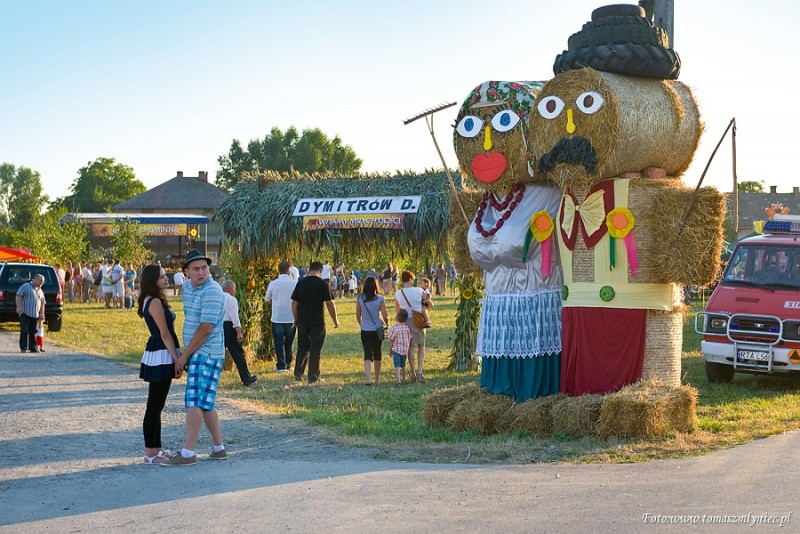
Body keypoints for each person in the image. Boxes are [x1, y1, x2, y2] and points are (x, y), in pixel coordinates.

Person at [162, 250, 228, 466]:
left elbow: (205, 329)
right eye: (196, 269)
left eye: (204, 268)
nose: (201, 272)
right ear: (186, 272)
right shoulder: (188, 288)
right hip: (196, 351)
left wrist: (183, 357)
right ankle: (219, 448)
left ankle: (188, 452)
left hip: (206, 352)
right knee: (205, 402)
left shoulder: (213, 291)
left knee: (194, 401)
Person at [137, 264, 181, 464]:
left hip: (160, 351)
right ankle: (150, 453)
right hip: (161, 353)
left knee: (157, 405)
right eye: (162, 277)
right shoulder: (154, 301)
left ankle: (157, 449)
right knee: (154, 405)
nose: (166, 279)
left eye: (165, 276)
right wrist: (177, 358)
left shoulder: (151, 299)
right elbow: (164, 333)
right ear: (152, 280)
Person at [291, 261, 339, 384]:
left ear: (309, 270)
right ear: (320, 271)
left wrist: (295, 318)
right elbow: (329, 304)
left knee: (302, 347)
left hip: (302, 320)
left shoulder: (300, 283)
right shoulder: (323, 284)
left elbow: (294, 302)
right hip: (317, 320)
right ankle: (313, 376)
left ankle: (298, 374)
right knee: (315, 349)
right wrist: (335, 320)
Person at [221, 280, 258, 386]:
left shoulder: (217, 298)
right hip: (229, 327)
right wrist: (238, 332)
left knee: (216, 354)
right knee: (238, 354)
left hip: (217, 327)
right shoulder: (231, 300)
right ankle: (246, 378)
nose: (235, 292)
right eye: (234, 289)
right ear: (230, 289)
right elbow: (234, 318)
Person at [264, 261, 297, 372]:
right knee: (289, 341)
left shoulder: (273, 283)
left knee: (278, 342)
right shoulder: (294, 283)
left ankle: (281, 365)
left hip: (277, 316)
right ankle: (288, 363)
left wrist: (276, 302)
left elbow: (267, 300)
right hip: (290, 316)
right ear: (288, 270)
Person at [394, 270, 427, 382]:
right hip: (418, 320)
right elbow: (427, 301)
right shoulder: (419, 290)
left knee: (410, 347)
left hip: (405, 320)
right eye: (413, 278)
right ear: (410, 279)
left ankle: (412, 372)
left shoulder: (398, 293)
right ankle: (419, 371)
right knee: (421, 345)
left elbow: (397, 309)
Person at [356, 277, 389, 386]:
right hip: (377, 329)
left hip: (365, 329)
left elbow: (358, 315)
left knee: (367, 353)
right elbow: (385, 315)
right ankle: (377, 378)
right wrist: (387, 324)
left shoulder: (360, 298)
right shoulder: (380, 299)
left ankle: (368, 379)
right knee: (377, 352)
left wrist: (362, 324)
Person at [16, 273, 45, 353]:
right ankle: (23, 347)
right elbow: (18, 295)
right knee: (24, 330)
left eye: (42, 281)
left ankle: (33, 347)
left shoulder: (40, 290)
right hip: (25, 312)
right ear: (35, 279)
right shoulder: (26, 286)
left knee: (33, 331)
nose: (41, 283)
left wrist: (42, 314)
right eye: (40, 280)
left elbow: (42, 302)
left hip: (35, 314)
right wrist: (18, 306)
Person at [388, 309, 412, 386]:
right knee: (403, 364)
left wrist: (390, 349)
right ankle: (403, 378)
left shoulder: (394, 328)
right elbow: (409, 337)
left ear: (397, 317)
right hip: (405, 349)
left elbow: (391, 340)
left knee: (397, 365)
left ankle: (398, 380)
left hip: (396, 349)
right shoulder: (407, 328)